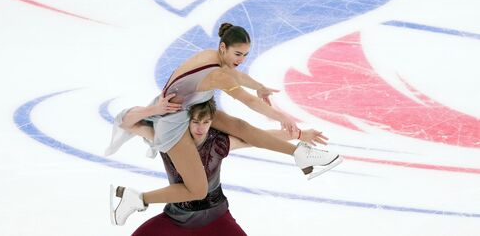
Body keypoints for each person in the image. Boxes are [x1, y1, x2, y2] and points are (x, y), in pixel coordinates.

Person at [106, 23, 342, 226]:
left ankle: (300, 153)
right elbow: (246, 99)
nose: (241, 60)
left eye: (245, 55)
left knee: (242, 128)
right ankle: (136, 198)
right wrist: (285, 118)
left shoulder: (214, 57)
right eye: (238, 54)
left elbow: (236, 76)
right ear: (223, 48)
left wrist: (259, 86)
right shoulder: (217, 75)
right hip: (174, 121)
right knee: (198, 190)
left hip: (192, 106)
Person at [122, 98, 304, 235]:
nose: (200, 128)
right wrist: (154, 109)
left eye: (206, 122)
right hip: (177, 218)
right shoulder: (168, 139)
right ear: (187, 120)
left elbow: (255, 138)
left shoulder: (218, 142)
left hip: (215, 216)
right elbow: (127, 123)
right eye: (195, 122)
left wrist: (296, 135)